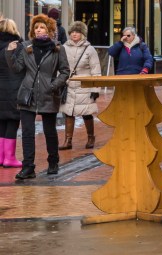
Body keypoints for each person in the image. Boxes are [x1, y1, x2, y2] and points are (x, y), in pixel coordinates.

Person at [5, 14, 69, 179]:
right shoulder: (26, 47)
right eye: (36, 27)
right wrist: (9, 54)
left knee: (49, 131)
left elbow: (65, 71)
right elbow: (17, 68)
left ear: (49, 30)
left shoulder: (57, 48)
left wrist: (53, 85)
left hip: (49, 94)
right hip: (28, 94)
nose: (38, 29)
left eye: (41, 27)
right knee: (27, 131)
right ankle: (28, 167)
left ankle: (53, 162)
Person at [59, 21, 102, 151]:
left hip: (85, 85)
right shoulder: (64, 48)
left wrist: (95, 89)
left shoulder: (89, 49)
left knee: (86, 113)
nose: (74, 34)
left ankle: (90, 137)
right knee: (69, 112)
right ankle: (68, 140)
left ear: (82, 34)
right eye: (72, 32)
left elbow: (96, 70)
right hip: (69, 85)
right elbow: (60, 67)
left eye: (77, 32)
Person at [0, 18, 25, 168]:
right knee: (12, 121)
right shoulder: (17, 46)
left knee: (1, 121)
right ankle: (9, 157)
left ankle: (1, 156)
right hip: (14, 89)